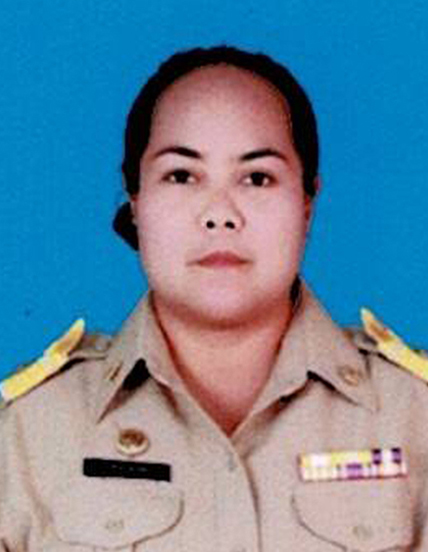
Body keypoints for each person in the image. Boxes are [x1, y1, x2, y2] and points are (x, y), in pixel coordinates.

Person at [1, 45, 428, 551]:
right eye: (182, 175)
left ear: (307, 203)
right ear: (135, 201)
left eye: (257, 178)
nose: (220, 214)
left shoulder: (413, 415)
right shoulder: (26, 431)